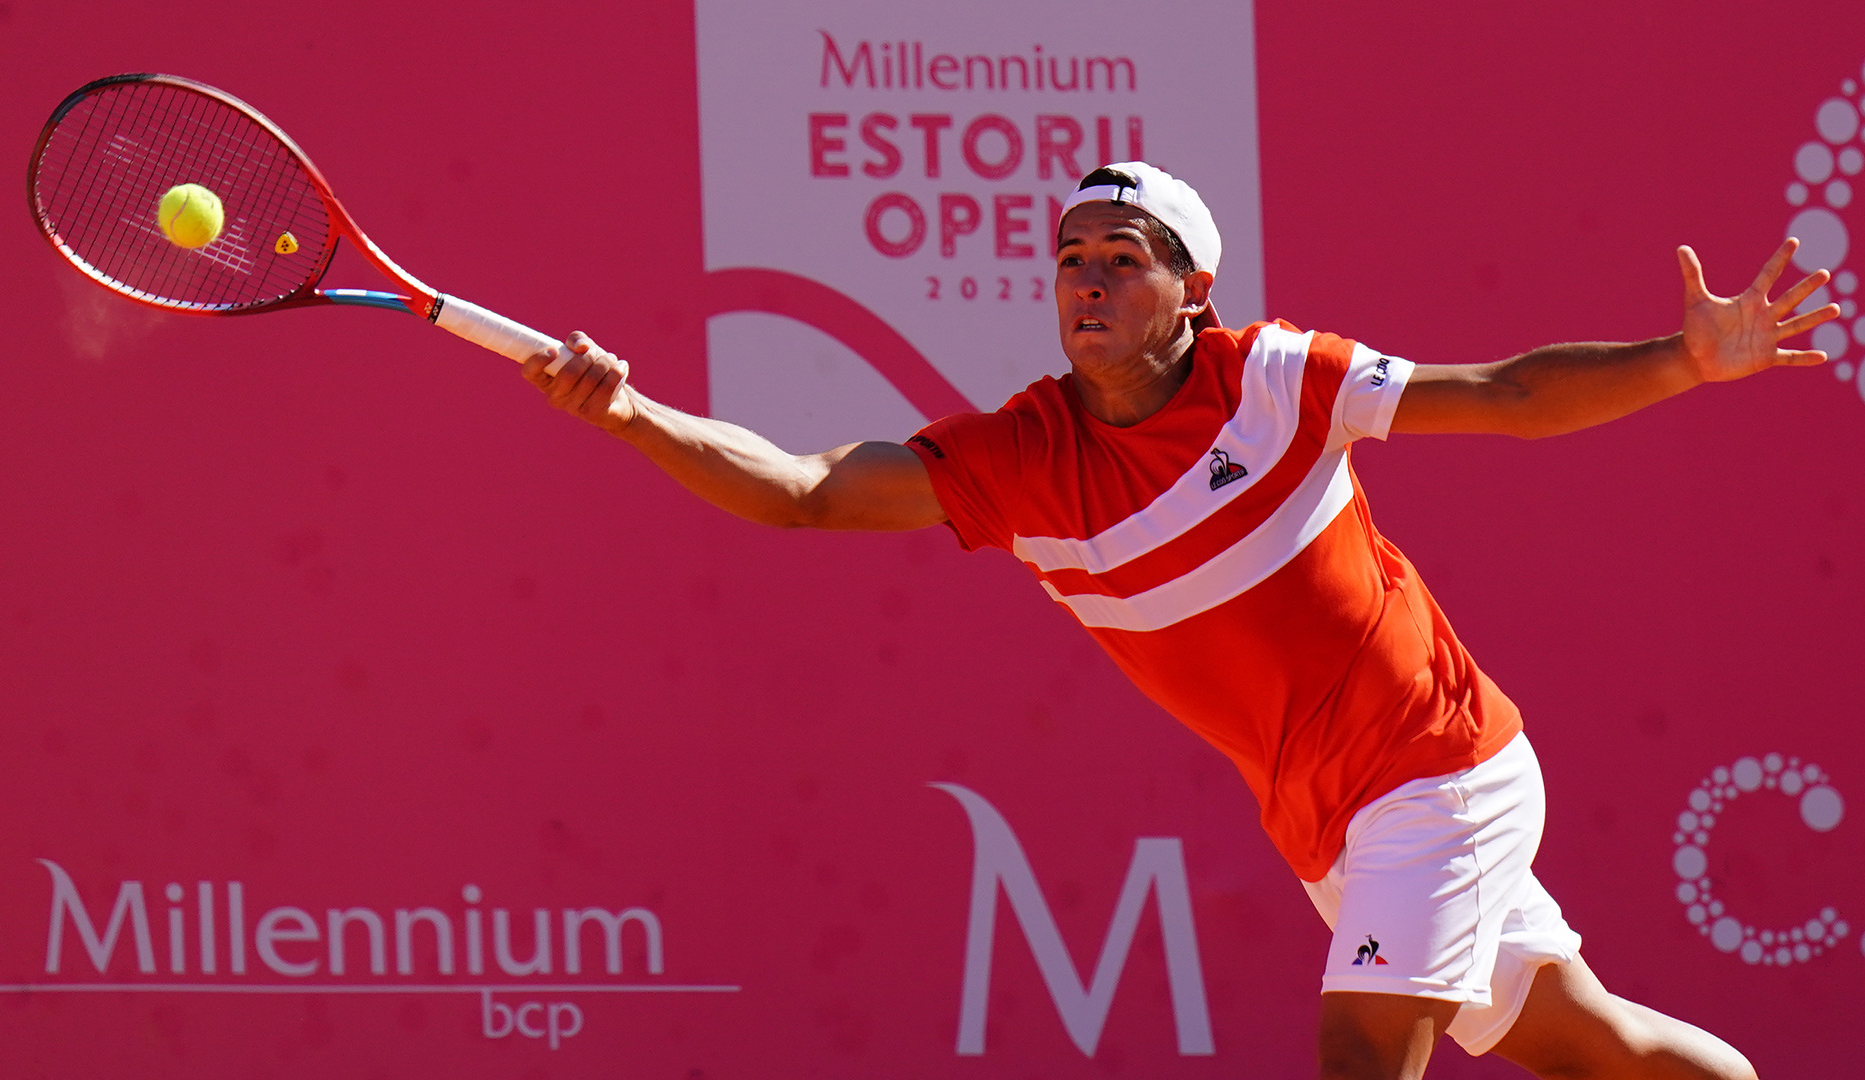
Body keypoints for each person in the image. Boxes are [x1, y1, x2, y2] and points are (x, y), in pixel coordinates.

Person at [522, 162, 1836, 1080]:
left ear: (1192, 290)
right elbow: (807, 494)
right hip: (1323, 818)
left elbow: (1499, 394)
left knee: (1359, 1053)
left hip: (1440, 770)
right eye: (1071, 262)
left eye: (1123, 260)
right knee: (1581, 1043)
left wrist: (1680, 361)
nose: (1088, 281)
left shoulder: (1268, 380)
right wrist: (631, 415)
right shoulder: (1018, 458)